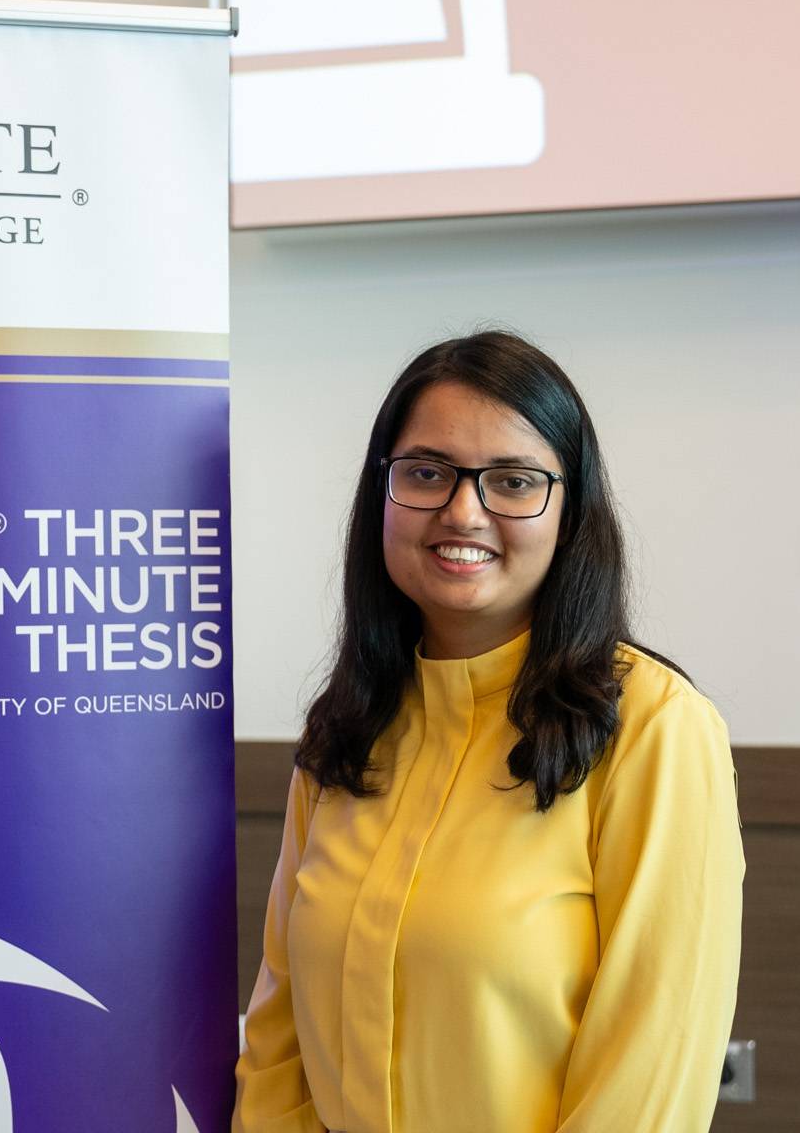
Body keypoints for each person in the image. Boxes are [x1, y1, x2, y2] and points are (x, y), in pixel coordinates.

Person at [233, 331, 744, 1133]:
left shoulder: (654, 727)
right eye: (427, 473)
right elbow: (279, 1033)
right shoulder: (350, 721)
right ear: (383, 494)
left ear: (571, 512)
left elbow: (651, 1069)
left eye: (512, 480)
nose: (462, 510)